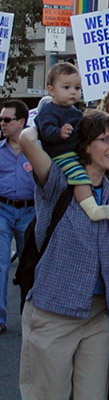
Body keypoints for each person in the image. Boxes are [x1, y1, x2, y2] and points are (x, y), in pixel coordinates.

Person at [19, 110, 109, 400]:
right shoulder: (58, 181)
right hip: (54, 313)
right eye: (105, 139)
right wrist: (52, 124)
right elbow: (27, 140)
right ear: (85, 145)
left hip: (97, 315)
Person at [34, 62, 109, 221]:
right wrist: (59, 132)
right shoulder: (49, 111)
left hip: (76, 152)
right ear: (51, 90)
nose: (73, 92)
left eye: (77, 88)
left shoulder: (75, 112)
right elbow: (45, 130)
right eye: (66, 87)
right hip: (61, 155)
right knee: (80, 177)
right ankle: (92, 210)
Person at [0, 100, 35, 336]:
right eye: (1, 120)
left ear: (21, 122)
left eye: (6, 119)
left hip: (29, 213)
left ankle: (29, 317)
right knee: (0, 265)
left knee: (28, 267)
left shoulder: (35, 149)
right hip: (2, 210)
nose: (2, 124)